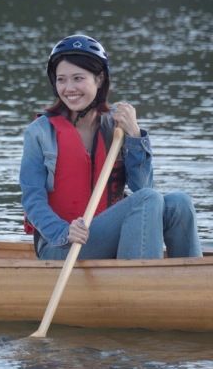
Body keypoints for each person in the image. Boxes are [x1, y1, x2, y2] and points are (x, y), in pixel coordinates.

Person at [19, 34, 200, 260]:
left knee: (179, 203)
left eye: (78, 78)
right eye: (61, 79)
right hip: (62, 245)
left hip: (110, 236)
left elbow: (143, 188)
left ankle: (189, 278)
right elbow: (32, 200)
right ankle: (140, 279)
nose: (69, 88)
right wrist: (63, 232)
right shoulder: (39, 132)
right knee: (148, 199)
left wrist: (135, 136)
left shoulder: (117, 127)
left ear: (99, 79)